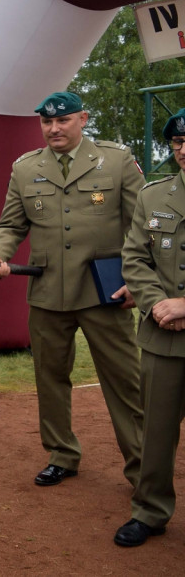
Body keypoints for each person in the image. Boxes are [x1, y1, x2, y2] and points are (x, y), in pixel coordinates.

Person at [0, 91, 144, 489]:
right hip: (48, 290)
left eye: (63, 120)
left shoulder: (117, 161)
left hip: (105, 292)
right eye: (46, 122)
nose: (53, 128)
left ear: (83, 119)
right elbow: (10, 225)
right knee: (50, 377)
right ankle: (62, 453)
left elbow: (143, 226)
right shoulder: (25, 168)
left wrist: (137, 282)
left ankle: (144, 464)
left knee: (125, 380)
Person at [115, 108, 185, 547]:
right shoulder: (154, 196)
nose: (183, 150)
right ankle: (151, 511)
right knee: (156, 432)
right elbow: (135, 257)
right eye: (177, 143)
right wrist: (158, 303)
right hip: (163, 336)